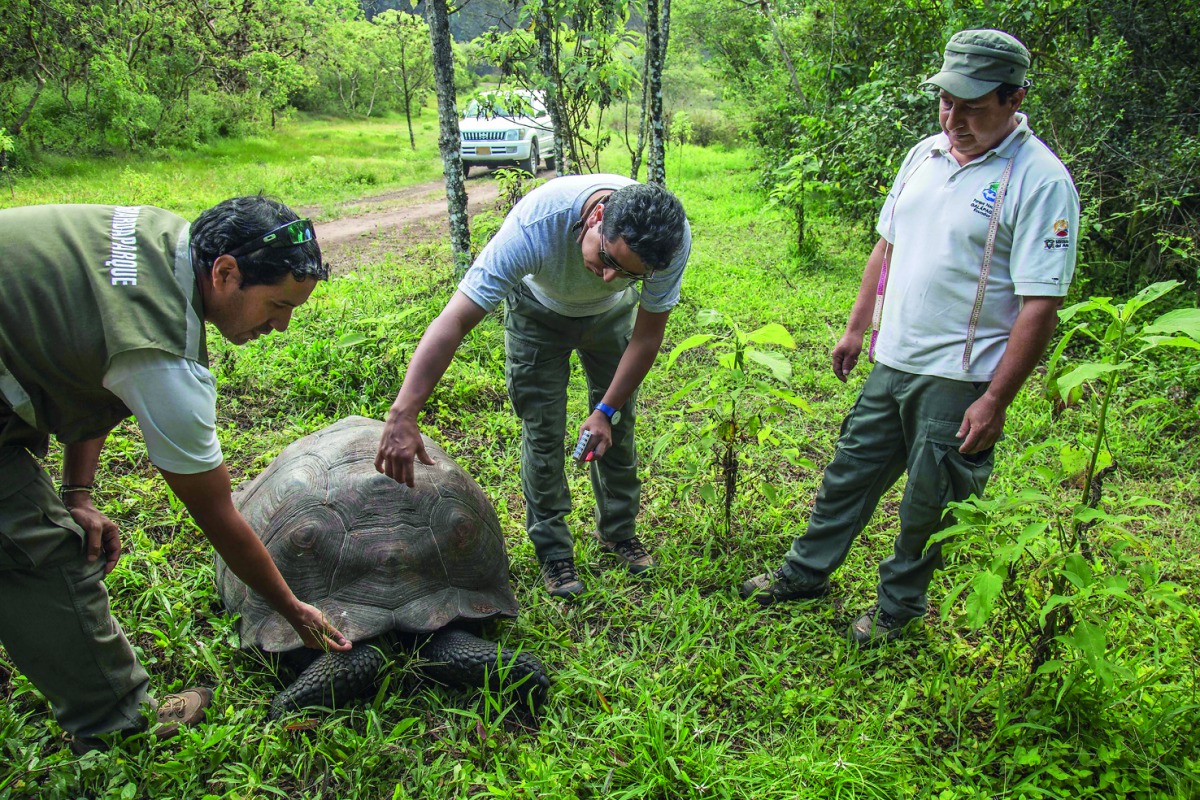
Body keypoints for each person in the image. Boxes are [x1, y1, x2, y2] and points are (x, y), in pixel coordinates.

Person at [740, 29, 1080, 647]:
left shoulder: (1041, 180)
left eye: (973, 105)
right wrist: (856, 325)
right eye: (946, 101)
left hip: (960, 376)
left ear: (1014, 98)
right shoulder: (924, 154)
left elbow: (1041, 305)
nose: (954, 117)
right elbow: (887, 245)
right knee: (848, 473)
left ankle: (898, 611)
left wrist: (995, 400)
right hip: (892, 359)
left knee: (930, 501)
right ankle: (805, 572)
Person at [0, 197, 352, 753]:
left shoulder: (164, 239)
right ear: (226, 272)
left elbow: (97, 358)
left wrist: (79, 491)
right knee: (39, 550)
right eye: (277, 304)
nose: (281, 326)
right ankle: (113, 722)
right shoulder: (166, 362)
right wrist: (290, 608)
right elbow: (216, 514)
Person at [375, 175, 690, 599]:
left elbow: (647, 337)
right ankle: (554, 551)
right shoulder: (535, 225)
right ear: (597, 217)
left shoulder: (668, 243)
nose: (609, 277)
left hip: (612, 321)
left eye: (628, 275)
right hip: (537, 314)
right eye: (606, 258)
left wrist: (606, 411)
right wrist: (404, 411)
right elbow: (453, 320)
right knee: (542, 432)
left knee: (618, 426)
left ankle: (619, 532)